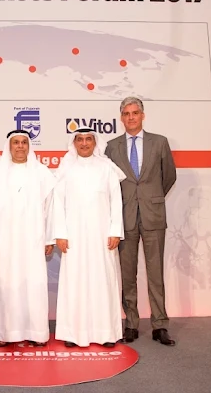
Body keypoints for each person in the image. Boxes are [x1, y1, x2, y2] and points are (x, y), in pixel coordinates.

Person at [104, 97, 178, 346]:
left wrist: (152, 198)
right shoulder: (112, 147)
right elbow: (109, 183)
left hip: (153, 215)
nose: (131, 117)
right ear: (121, 118)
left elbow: (168, 176)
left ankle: (160, 325)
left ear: (142, 115)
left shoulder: (160, 142)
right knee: (128, 274)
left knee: (155, 273)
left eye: (135, 113)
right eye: (126, 113)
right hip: (125, 217)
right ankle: (131, 324)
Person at [0, 130, 56, 347]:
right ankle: (6, 333)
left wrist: (49, 238)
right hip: (7, 240)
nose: (20, 146)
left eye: (24, 142)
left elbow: (51, 207)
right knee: (8, 284)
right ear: (9, 146)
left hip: (34, 239)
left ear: (29, 146)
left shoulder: (42, 173)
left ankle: (37, 332)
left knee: (34, 284)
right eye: (16, 143)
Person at [53, 128, 126, 348]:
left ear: (95, 143)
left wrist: (115, 231)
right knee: (74, 282)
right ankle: (73, 334)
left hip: (102, 236)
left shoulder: (107, 168)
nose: (84, 143)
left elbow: (116, 201)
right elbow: (58, 204)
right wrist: (60, 234)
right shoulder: (66, 169)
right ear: (74, 143)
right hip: (73, 237)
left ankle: (106, 333)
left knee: (102, 281)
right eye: (80, 139)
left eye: (88, 139)